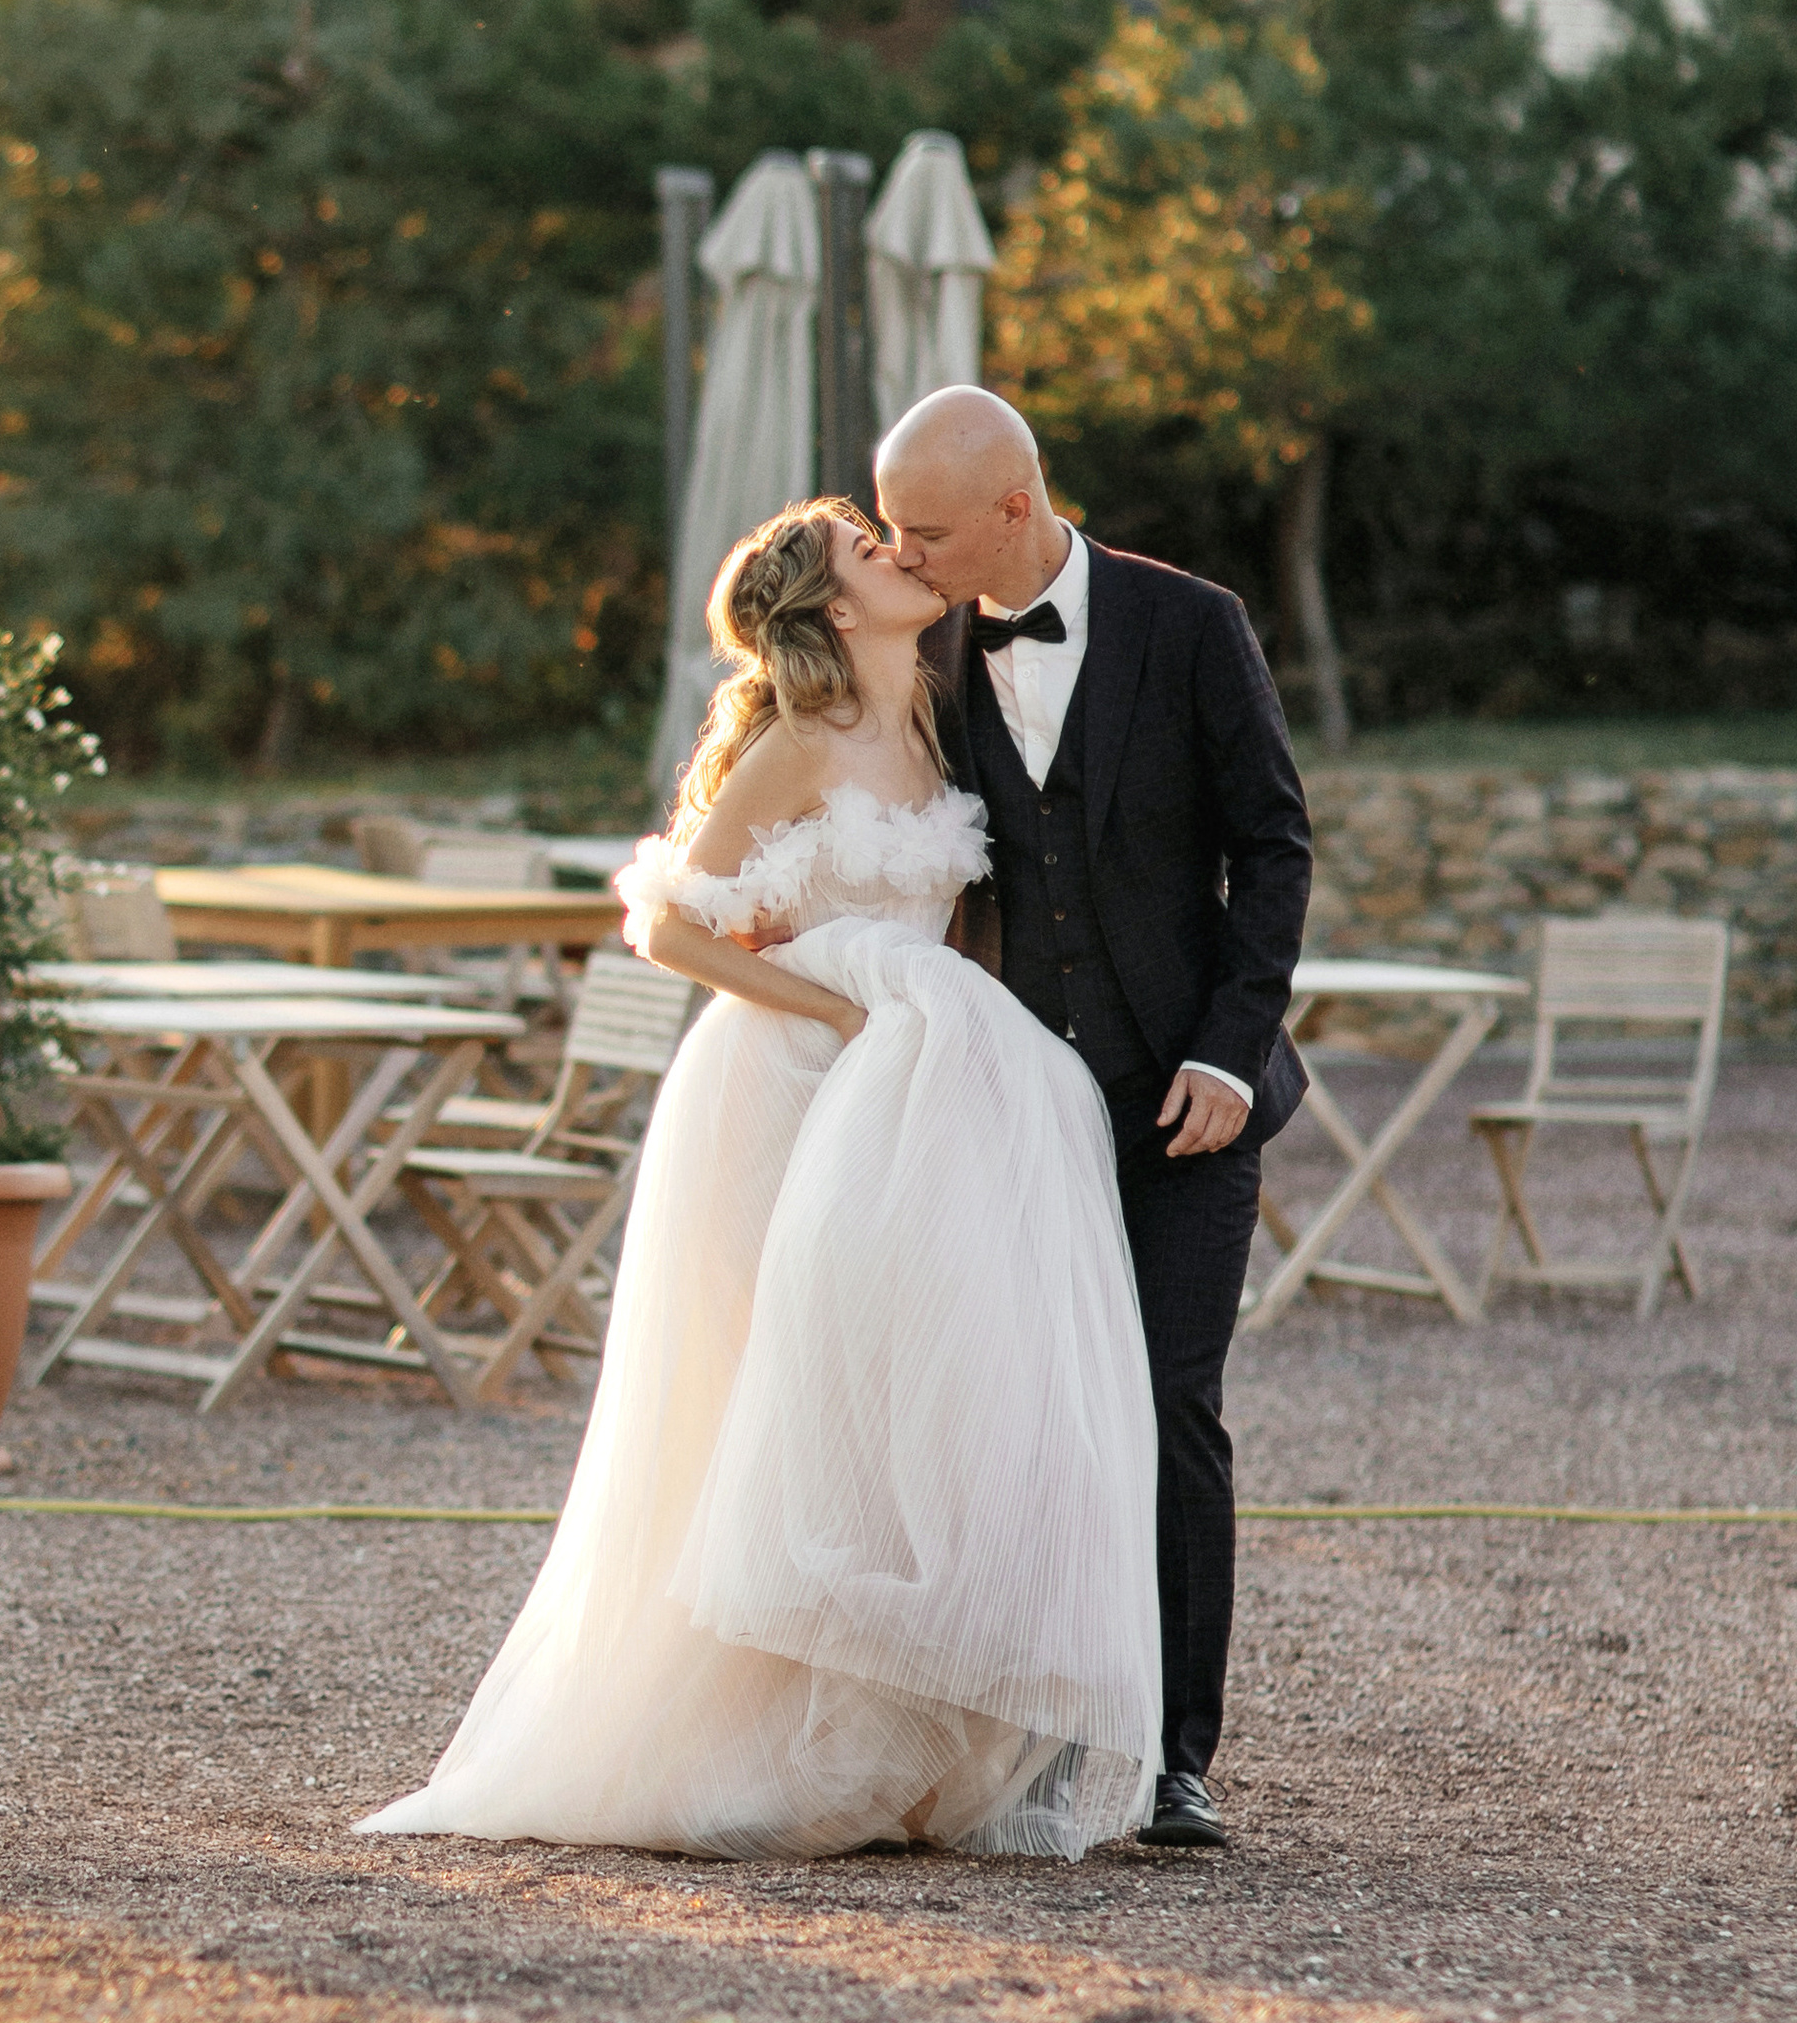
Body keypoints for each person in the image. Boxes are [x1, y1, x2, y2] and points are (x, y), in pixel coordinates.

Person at [360, 497, 1163, 1862]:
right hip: (785, 1082)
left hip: (915, 1098)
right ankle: (736, 1742)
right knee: (770, 1397)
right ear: (838, 611)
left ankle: (889, 1730)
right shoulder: (799, 744)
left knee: (901, 1386)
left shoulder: (937, 719)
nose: (897, 552)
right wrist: (830, 1002)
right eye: (868, 547)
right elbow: (668, 922)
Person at [874, 388, 1312, 1850]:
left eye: (922, 529)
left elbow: (1275, 845)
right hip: (1017, 1107)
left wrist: (1233, 1057)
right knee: (1033, 1424)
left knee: (1166, 1405)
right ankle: (1055, 1738)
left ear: (1015, 507)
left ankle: (1177, 1755)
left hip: (1187, 1099)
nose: (899, 550)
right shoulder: (922, 646)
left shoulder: (1191, 624)